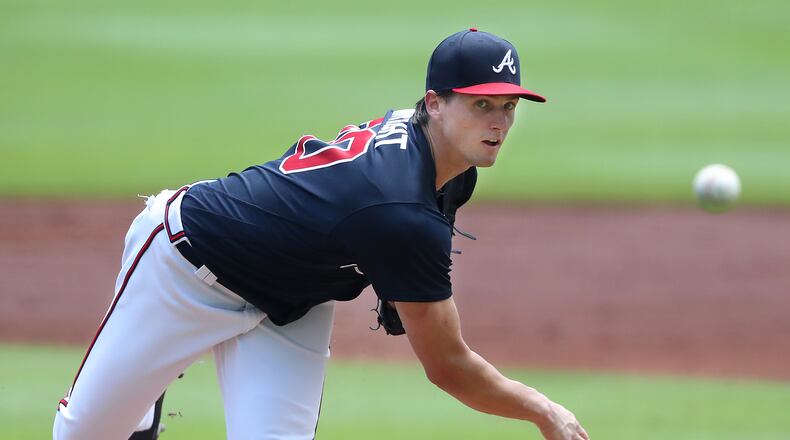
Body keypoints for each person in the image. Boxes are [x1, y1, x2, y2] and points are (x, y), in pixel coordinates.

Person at [53, 28, 590, 440]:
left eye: (508, 106)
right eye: (480, 104)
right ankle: (145, 390)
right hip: (188, 261)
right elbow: (448, 366)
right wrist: (542, 409)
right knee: (83, 434)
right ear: (433, 103)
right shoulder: (400, 211)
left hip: (295, 299)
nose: (498, 123)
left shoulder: (446, 160)